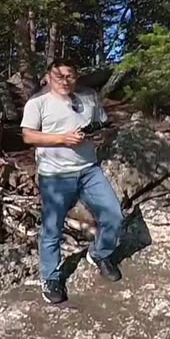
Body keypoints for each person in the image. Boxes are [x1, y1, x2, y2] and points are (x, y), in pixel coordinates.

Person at [19, 59, 123, 304]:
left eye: (70, 76)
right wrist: (62, 139)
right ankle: (51, 277)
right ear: (48, 77)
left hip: (89, 170)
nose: (65, 81)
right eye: (59, 76)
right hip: (55, 175)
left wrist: (96, 132)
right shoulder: (38, 102)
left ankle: (99, 254)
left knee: (114, 214)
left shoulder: (89, 97)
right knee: (52, 229)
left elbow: (102, 123)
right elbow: (27, 136)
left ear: (77, 77)